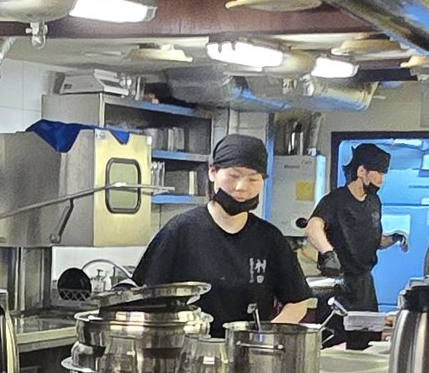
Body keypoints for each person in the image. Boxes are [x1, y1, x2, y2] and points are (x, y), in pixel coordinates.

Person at [131, 134, 311, 336]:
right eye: (234, 176)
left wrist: (262, 338)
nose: (242, 187)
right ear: (212, 172)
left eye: (253, 178)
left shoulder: (269, 238)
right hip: (188, 353)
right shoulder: (180, 231)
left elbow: (297, 302)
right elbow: (143, 297)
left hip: (249, 354)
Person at [305, 143, 406, 310]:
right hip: (338, 284)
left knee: (367, 333)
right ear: (361, 171)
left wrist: (394, 238)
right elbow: (313, 227)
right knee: (337, 335)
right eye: (378, 173)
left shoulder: (374, 202)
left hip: (365, 285)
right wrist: (328, 253)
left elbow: (375, 240)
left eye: (384, 174)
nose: (382, 180)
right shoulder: (335, 200)